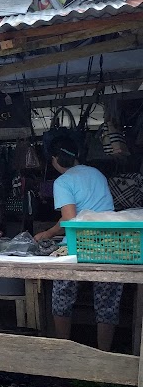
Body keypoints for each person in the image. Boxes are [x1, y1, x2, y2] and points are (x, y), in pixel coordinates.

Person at [34, 137, 120, 351]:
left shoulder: (63, 181)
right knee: (107, 301)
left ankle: (64, 351)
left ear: (55, 159)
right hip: (110, 244)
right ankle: (104, 355)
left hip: (78, 245)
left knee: (62, 294)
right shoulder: (96, 174)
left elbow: (70, 221)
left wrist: (47, 233)